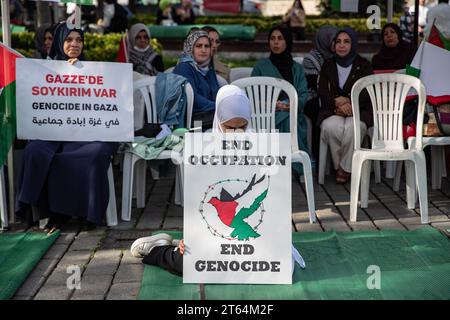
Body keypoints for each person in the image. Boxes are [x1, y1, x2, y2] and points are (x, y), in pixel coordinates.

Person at [16, 22, 118, 233]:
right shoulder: (45, 70)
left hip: (86, 133)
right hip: (53, 134)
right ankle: (53, 213)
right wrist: (63, 74)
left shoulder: (96, 70)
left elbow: (104, 105)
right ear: (59, 42)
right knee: (36, 151)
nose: (75, 44)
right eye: (69, 39)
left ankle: (86, 214)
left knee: (96, 152)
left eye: (79, 40)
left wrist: (80, 74)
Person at [317, 28, 373, 184]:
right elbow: (322, 90)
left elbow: (367, 92)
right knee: (330, 127)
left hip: (358, 111)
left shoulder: (363, 65)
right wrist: (337, 103)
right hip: (333, 111)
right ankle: (344, 167)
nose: (342, 45)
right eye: (338, 42)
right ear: (334, 45)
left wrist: (348, 102)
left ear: (353, 44)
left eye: (346, 42)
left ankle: (343, 169)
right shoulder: (327, 65)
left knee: (354, 129)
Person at [251, 24, 309, 170]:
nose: (276, 42)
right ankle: (288, 165)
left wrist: (290, 106)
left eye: (280, 39)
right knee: (284, 119)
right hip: (265, 115)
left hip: (292, 113)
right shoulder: (260, 67)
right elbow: (251, 95)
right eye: (272, 39)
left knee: (288, 119)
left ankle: (286, 165)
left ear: (287, 42)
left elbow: (303, 94)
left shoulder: (297, 68)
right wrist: (272, 105)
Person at [302, 25, 337, 163]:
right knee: (319, 112)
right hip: (313, 97)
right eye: (334, 40)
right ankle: (318, 156)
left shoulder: (337, 55)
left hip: (331, 97)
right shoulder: (311, 59)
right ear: (325, 40)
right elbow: (316, 87)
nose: (337, 43)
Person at [173, 30, 220, 130]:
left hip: (209, 117)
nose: (203, 50)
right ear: (190, 48)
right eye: (199, 46)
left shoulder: (208, 69)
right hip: (191, 123)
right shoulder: (184, 68)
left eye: (207, 46)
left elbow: (217, 93)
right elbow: (194, 100)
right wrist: (219, 106)